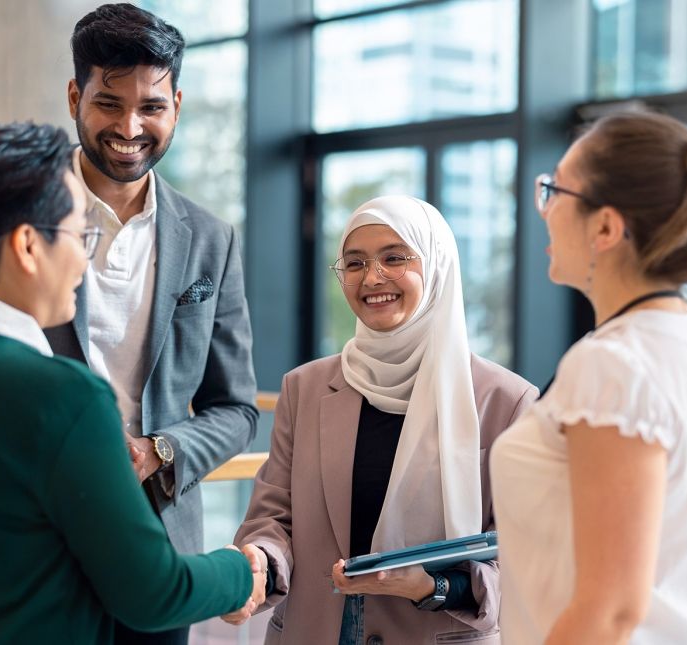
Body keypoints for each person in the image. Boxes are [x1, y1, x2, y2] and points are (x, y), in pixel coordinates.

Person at [0, 7, 258, 643]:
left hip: (159, 543)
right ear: (76, 96)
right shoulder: (1, 215)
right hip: (24, 539)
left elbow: (235, 407)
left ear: (176, 105)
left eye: (152, 106)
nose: (130, 127)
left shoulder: (212, 241)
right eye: (109, 103)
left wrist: (160, 451)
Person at [490, 110, 687, 644]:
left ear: (607, 227)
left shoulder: (614, 364)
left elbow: (610, 610)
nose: (543, 210)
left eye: (555, 191)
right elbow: (682, 557)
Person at [226, 196, 537, 644]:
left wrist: (432, 585)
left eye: (394, 257)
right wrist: (259, 559)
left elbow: (525, 561)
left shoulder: (506, 401)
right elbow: (273, 517)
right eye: (354, 263)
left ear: (435, 266)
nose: (372, 278)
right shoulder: (306, 388)